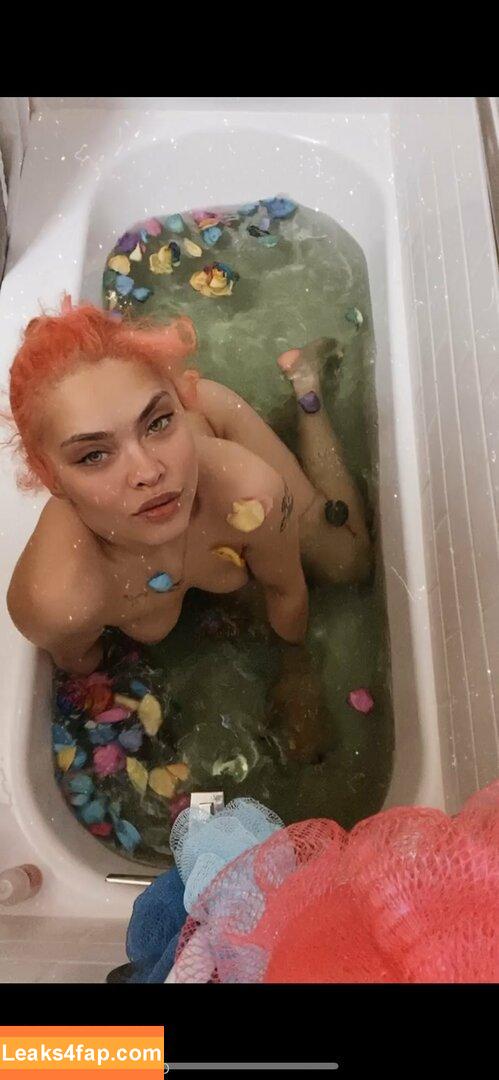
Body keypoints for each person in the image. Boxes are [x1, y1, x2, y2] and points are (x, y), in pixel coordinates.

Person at [5, 299, 371, 679]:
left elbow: (286, 591)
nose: (148, 472)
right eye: (94, 455)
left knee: (347, 561)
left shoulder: (249, 493)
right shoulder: (56, 600)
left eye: (158, 422)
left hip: (217, 421)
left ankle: (305, 384)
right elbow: (81, 666)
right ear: (49, 477)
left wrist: (297, 675)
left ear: (181, 402)